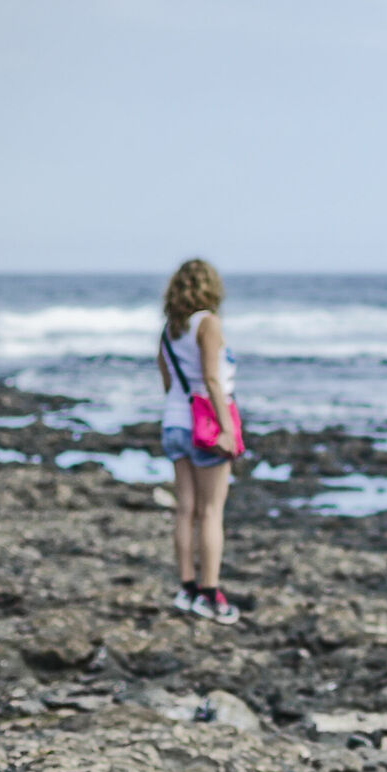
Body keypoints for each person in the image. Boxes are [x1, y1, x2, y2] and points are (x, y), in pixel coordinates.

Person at [156, 257, 240, 623]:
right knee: (211, 511)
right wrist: (226, 427)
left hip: (174, 422)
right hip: (203, 427)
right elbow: (212, 379)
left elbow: (168, 382)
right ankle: (210, 593)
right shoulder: (208, 323)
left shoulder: (169, 331)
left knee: (185, 508)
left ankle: (186, 588)